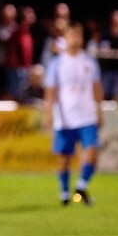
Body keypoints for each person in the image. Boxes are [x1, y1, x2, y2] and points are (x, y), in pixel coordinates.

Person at [43, 23, 103, 206]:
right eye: (72, 36)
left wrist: (99, 109)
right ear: (65, 38)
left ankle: (81, 186)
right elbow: (51, 91)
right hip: (65, 118)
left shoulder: (89, 62)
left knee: (92, 153)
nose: (75, 40)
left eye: (78, 36)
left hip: (87, 117)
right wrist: (48, 113)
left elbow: (96, 87)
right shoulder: (57, 63)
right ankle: (64, 192)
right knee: (64, 159)